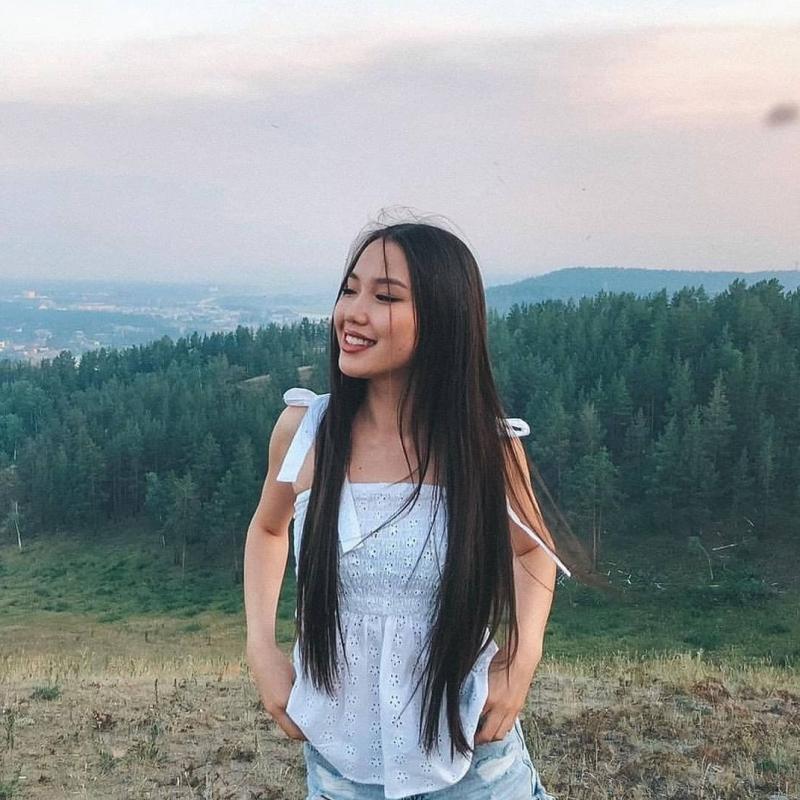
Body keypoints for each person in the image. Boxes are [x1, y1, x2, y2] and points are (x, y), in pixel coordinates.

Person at [244, 220, 573, 799]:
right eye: (349, 290)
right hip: (341, 765)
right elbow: (269, 530)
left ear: (444, 318)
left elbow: (533, 552)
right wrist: (261, 649)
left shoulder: (484, 447)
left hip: (472, 762)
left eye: (385, 296)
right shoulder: (306, 431)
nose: (353, 313)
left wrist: (523, 659)